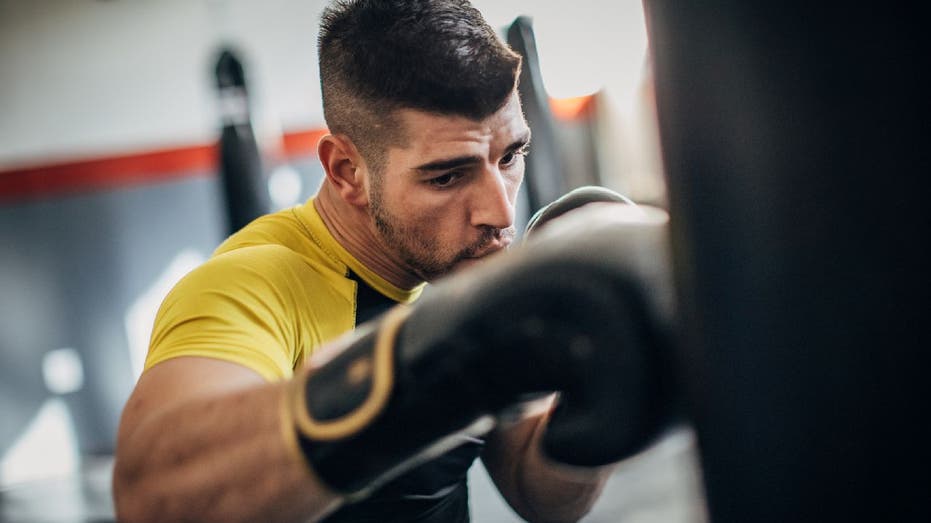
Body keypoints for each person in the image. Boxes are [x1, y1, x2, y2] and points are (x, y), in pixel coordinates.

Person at [113, 2, 663, 522]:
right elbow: (153, 497)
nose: (499, 212)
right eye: (447, 175)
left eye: (511, 156)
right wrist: (433, 373)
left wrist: (596, 421)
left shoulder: (466, 267)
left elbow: (538, 493)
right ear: (347, 171)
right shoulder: (251, 285)